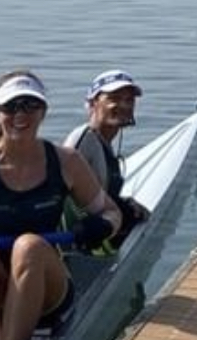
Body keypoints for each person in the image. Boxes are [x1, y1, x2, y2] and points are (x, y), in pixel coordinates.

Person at [0, 69, 123, 340]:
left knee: (29, 246)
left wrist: (101, 226)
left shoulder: (66, 162)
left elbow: (111, 212)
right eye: (12, 106)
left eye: (30, 105)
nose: (21, 115)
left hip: (49, 290)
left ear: (43, 112)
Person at [64, 69, 150, 245]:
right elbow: (63, 198)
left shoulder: (103, 141)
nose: (124, 105)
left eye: (129, 100)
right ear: (94, 102)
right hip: (78, 242)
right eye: (114, 99)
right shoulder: (84, 140)